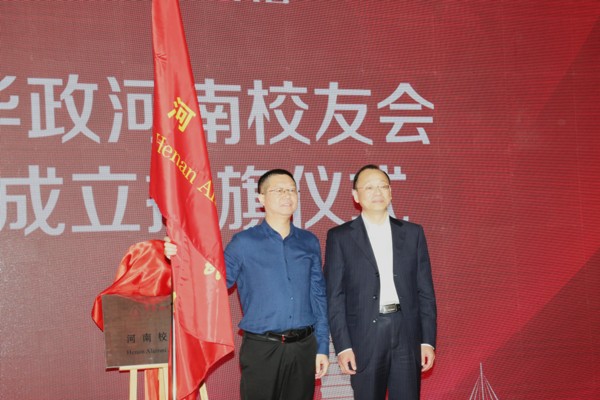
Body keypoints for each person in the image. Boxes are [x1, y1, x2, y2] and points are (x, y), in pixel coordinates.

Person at [165, 168, 329, 400]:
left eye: (292, 190)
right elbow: (214, 283)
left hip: (304, 347)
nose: (287, 195)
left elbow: (318, 296)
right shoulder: (244, 242)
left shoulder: (308, 241)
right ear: (261, 198)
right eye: (279, 190)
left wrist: (322, 347)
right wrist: (180, 258)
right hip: (262, 348)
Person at [324, 164, 437, 400]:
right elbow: (334, 297)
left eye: (383, 186)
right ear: (356, 196)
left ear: (391, 192)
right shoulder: (340, 237)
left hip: (406, 331)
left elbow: (425, 291)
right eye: (369, 187)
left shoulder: (413, 233)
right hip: (365, 336)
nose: (377, 192)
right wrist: (343, 346)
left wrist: (427, 341)